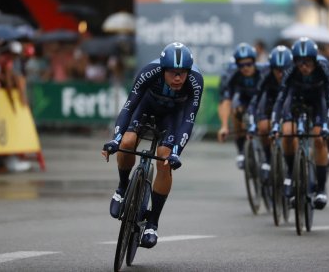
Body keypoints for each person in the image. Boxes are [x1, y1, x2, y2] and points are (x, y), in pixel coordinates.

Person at [101, 42, 204, 249]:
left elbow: (188, 120)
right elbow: (128, 107)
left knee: (164, 159)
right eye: (173, 73)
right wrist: (115, 139)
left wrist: (176, 153)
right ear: (163, 70)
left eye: (182, 73)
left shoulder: (195, 81)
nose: (178, 78)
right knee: (127, 142)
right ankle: (122, 188)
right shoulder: (149, 72)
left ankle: (152, 223)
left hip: (172, 117)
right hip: (146, 108)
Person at [270, 37, 329, 210]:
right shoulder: (290, 71)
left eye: (308, 62)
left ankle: (320, 189)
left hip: (317, 102)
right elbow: (281, 99)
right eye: (300, 62)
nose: (304, 67)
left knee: (320, 140)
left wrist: (327, 124)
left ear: (314, 60)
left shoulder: (323, 70)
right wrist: (275, 124)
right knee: (288, 132)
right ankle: (291, 173)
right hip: (295, 100)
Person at [217, 42, 268, 169]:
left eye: (249, 64)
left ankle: (269, 156)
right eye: (241, 65)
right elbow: (226, 101)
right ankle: (241, 150)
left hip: (262, 100)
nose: (245, 68)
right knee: (236, 110)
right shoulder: (233, 75)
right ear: (237, 65)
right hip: (244, 100)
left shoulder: (264, 71)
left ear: (255, 62)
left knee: (264, 127)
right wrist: (224, 126)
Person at [247, 45, 293, 178]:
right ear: (271, 68)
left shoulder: (294, 74)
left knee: (290, 132)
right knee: (263, 127)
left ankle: (293, 166)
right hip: (271, 101)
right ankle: (268, 158)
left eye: (284, 70)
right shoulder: (265, 74)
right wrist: (251, 122)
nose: (280, 74)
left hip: (291, 101)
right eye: (277, 70)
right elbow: (255, 101)